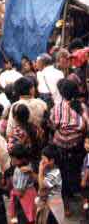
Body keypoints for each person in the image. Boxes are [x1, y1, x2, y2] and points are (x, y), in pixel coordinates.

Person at [48, 79, 88, 217]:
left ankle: (66, 209)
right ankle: (85, 202)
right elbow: (86, 126)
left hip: (61, 149)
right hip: (78, 148)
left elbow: (53, 125)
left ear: (62, 93)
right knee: (80, 174)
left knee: (64, 177)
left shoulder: (56, 108)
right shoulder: (82, 107)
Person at [9, 144, 37, 224]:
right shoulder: (26, 165)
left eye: (14, 159)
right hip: (29, 196)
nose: (12, 160)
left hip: (25, 197)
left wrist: (15, 192)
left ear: (22, 159)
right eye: (12, 158)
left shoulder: (22, 171)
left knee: (26, 217)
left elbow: (20, 191)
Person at [36, 145, 64, 224]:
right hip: (48, 204)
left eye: (43, 159)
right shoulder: (49, 169)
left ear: (51, 161)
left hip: (53, 207)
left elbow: (42, 186)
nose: (41, 162)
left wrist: (40, 170)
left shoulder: (55, 173)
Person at [81, 135, 89, 220]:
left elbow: (87, 169)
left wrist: (83, 180)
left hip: (87, 183)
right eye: (85, 142)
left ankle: (86, 216)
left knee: (86, 200)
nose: (86, 145)